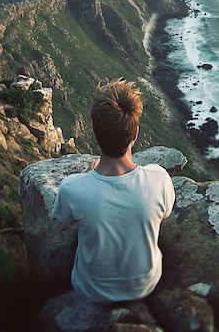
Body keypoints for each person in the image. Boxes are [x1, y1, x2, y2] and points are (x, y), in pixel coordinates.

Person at [52, 78, 175, 303]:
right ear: (135, 133)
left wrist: (90, 177)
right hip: (145, 285)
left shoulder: (73, 187)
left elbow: (62, 219)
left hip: (91, 289)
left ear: (95, 132)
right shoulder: (159, 179)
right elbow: (165, 213)